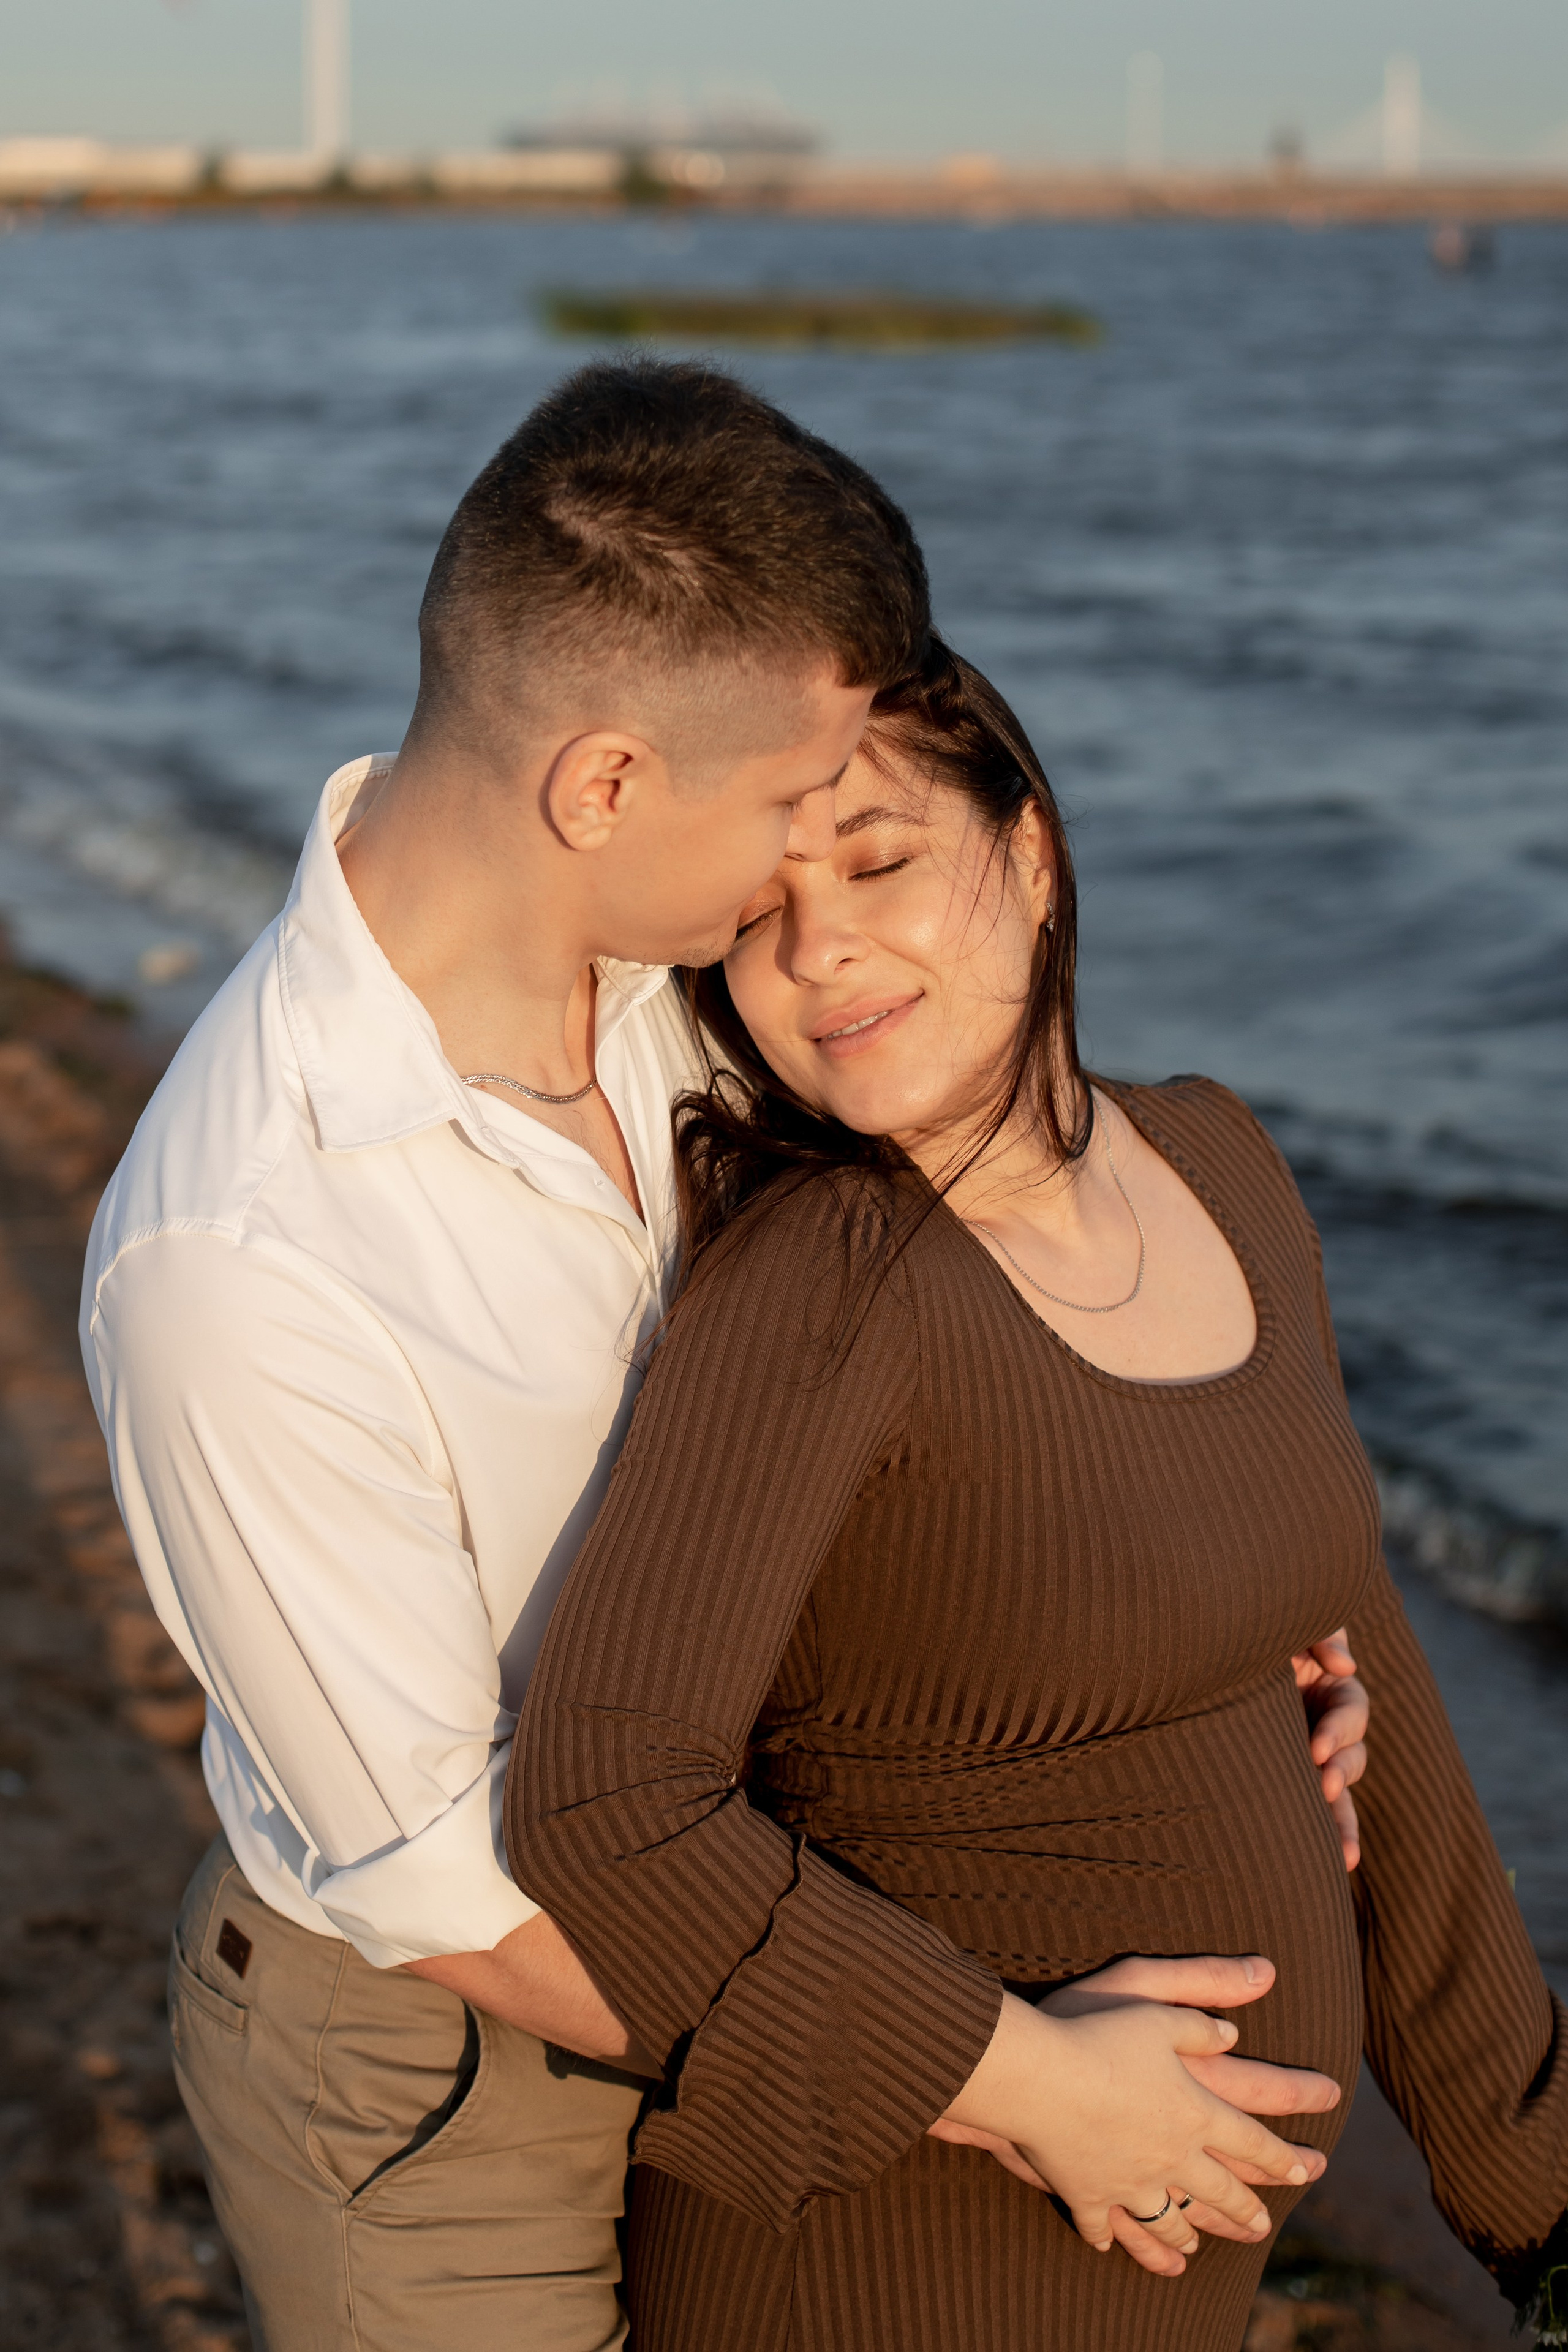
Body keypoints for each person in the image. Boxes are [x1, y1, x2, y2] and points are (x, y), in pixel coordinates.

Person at [83, 360, 1368, 2350]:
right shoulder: (237, 1257)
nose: (809, 878)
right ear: (602, 786)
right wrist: (1007, 2081)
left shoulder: (683, 989)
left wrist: (1204, 1658)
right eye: (783, 806)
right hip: (447, 2082)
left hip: (774, 1900)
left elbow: (939, 1371)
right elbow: (454, 1889)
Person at [509, 639, 1568, 2352]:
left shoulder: (1219, 1160)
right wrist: (1027, 2087)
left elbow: (1367, 1657)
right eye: (759, 907)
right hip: (895, 2255)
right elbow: (607, 1802)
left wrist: (1535, 2196)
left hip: (1175, 2274)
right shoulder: (827, 1277)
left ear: (1034, 853)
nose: (818, 945)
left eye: (878, 858)